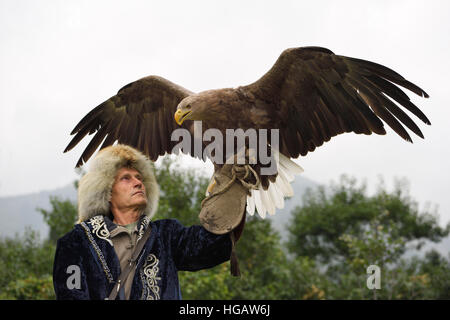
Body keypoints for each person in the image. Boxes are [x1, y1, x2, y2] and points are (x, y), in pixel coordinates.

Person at [52, 144, 234, 300]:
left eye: (139, 178)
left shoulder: (166, 236)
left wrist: (232, 186)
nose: (138, 183)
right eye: (126, 178)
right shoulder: (75, 244)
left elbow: (215, 244)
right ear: (106, 191)